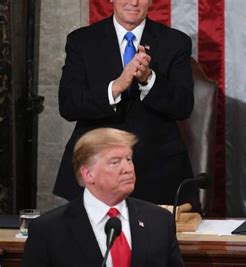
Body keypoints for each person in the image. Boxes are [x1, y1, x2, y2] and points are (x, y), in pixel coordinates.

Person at [53, 0, 200, 210]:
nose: (134, 2)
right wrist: (115, 88)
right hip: (96, 167)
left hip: (158, 171)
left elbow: (183, 106)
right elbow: (69, 105)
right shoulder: (82, 41)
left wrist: (148, 79)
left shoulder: (175, 42)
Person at [22, 128, 184, 267]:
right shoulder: (48, 231)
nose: (128, 169)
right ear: (88, 173)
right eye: (115, 162)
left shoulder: (160, 221)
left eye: (129, 159)